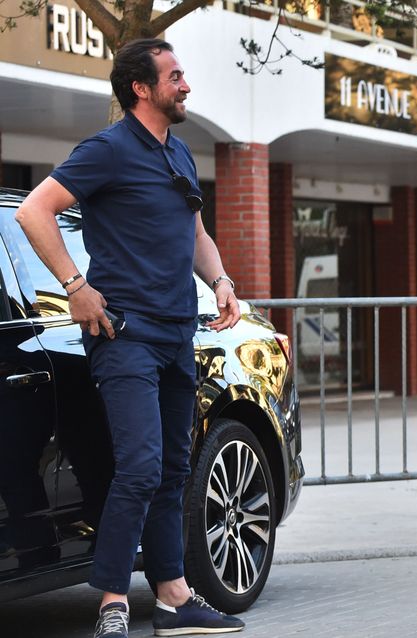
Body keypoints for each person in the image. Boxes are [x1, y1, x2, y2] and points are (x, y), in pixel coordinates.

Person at [15, 39, 245, 638]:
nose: (186, 84)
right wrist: (75, 286)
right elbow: (34, 211)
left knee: (172, 469)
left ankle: (173, 597)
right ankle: (113, 602)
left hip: (177, 334)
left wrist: (219, 280)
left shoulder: (180, 154)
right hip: (126, 336)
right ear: (142, 88)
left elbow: (194, 228)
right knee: (140, 467)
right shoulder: (108, 150)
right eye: (175, 76)